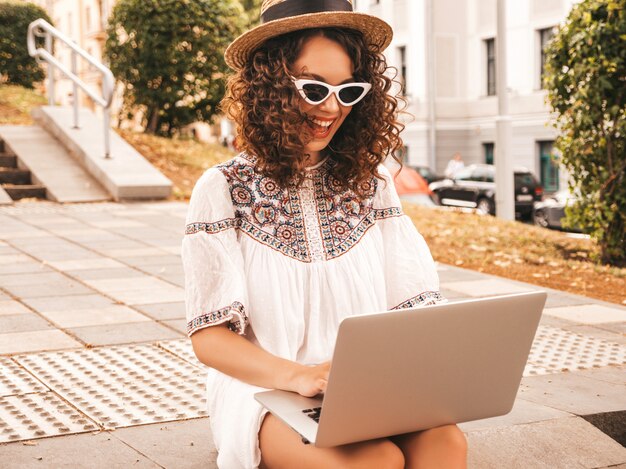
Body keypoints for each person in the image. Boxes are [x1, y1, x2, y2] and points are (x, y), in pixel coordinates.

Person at [182, 1, 468, 468]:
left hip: (368, 384)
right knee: (374, 462)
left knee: (447, 444)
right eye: (313, 89)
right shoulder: (222, 189)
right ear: (270, 88)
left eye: (348, 91)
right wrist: (300, 377)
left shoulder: (372, 183)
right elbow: (210, 339)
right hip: (268, 389)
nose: (331, 108)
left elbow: (414, 304)